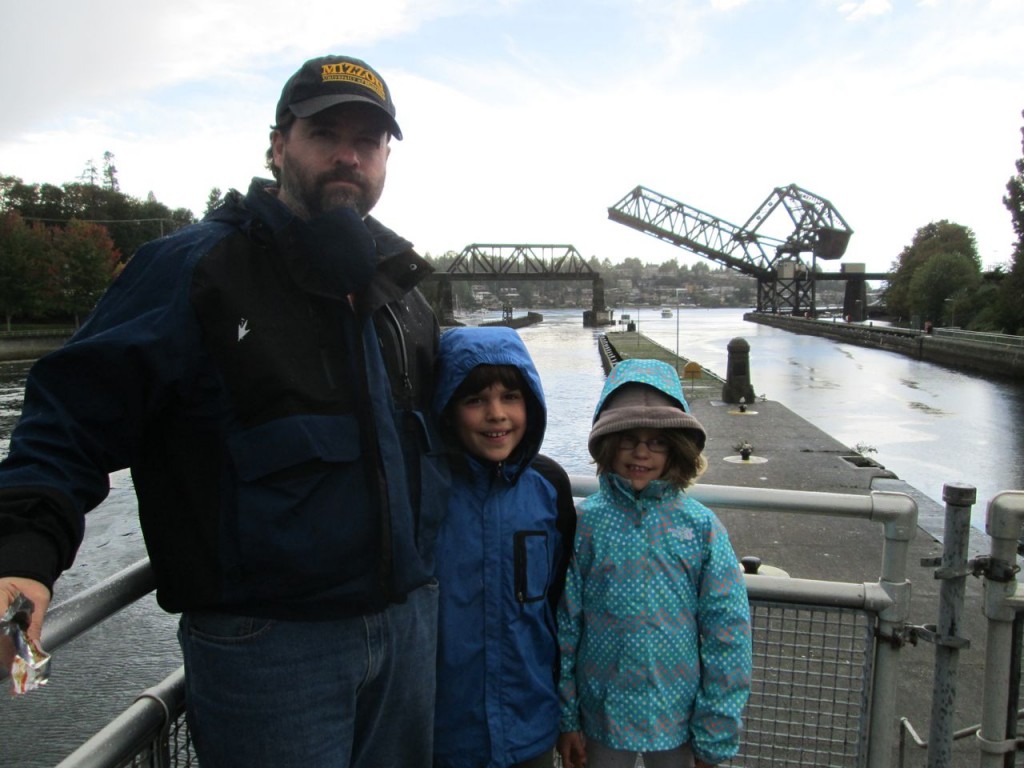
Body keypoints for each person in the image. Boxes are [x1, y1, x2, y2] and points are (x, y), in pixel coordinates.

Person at [0, 54, 448, 768]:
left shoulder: (401, 291)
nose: (347, 154)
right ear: (278, 145)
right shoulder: (195, 268)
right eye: (324, 131)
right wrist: (24, 555)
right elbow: (69, 417)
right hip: (271, 650)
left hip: (409, 628)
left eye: (367, 140)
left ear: (385, 157)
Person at [557, 358, 752, 768]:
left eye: (657, 442)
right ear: (609, 444)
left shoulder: (700, 527)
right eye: (629, 439)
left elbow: (726, 630)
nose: (642, 452)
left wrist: (715, 731)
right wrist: (567, 716)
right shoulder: (585, 523)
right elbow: (566, 623)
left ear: (676, 448)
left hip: (679, 717)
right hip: (600, 716)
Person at [432, 326, 576, 768]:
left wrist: (568, 714)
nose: (497, 415)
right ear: (448, 410)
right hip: (444, 734)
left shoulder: (549, 486)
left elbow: (558, 606)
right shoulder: (425, 490)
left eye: (510, 397)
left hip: (530, 726)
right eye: (475, 400)